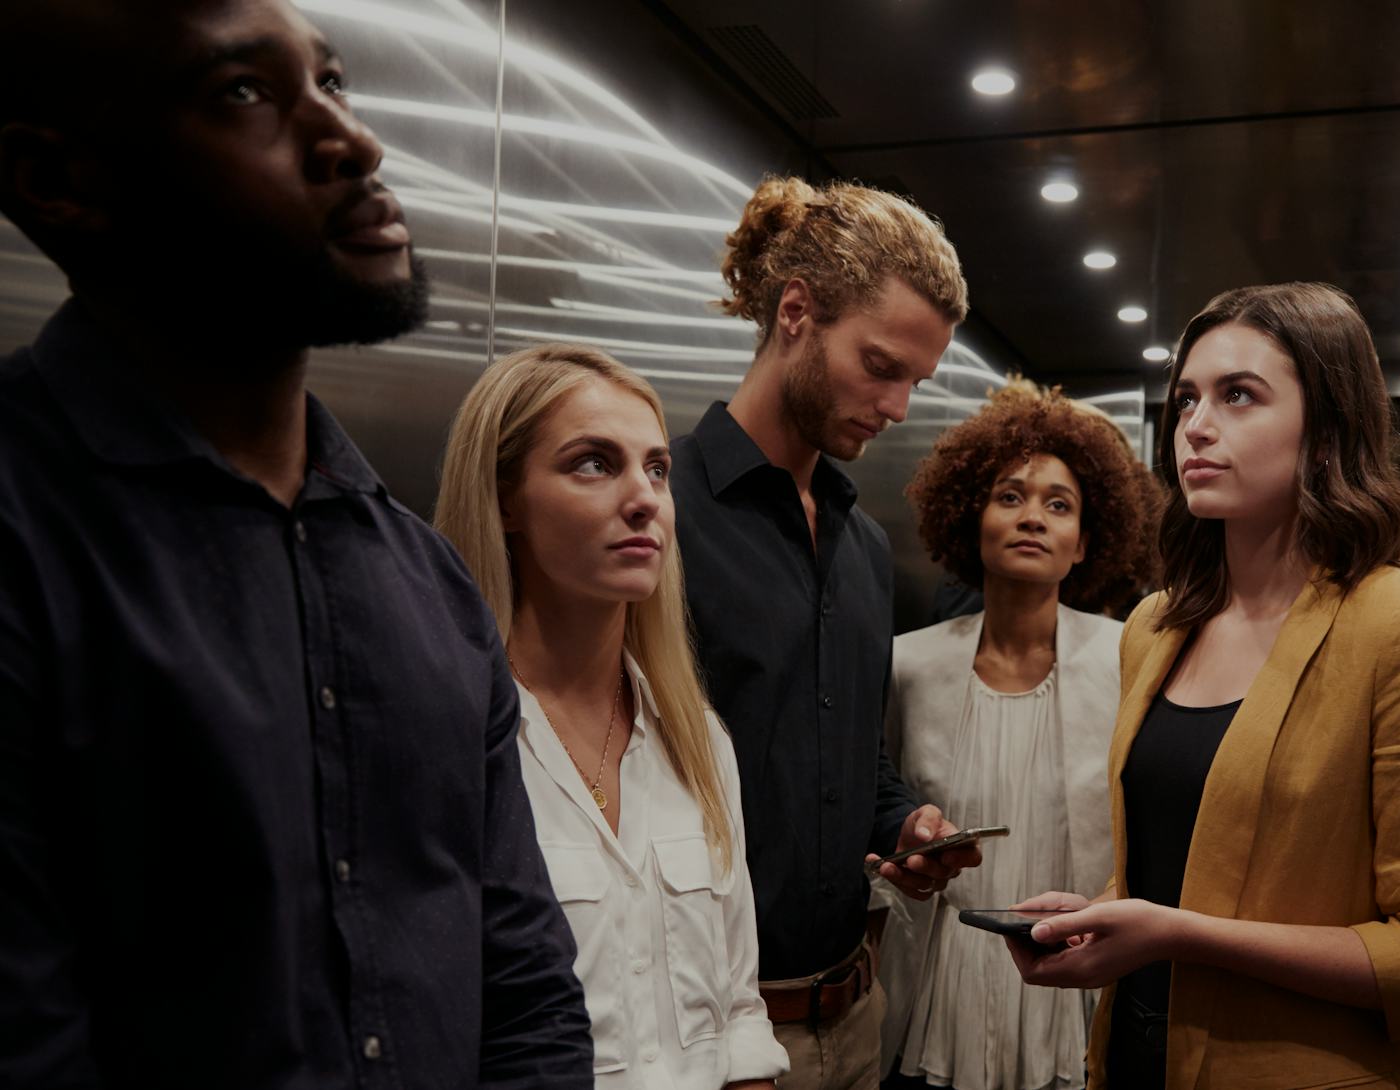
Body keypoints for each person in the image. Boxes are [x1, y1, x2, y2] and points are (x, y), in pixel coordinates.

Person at [0, 1, 594, 1086]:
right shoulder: (27, 526)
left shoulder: (426, 583)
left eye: (332, 83)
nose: (352, 141)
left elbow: (521, 976)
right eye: (243, 93)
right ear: (57, 180)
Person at [1007, 283, 1400, 1090]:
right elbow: (1191, 863)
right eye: (1186, 401)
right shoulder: (1158, 627)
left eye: (1239, 396)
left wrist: (1178, 934)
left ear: (1325, 433)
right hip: (1135, 1063)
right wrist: (1102, 916)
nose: (1196, 427)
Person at [668, 176, 985, 1090]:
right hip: (718, 1030)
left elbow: (847, 753)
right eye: (880, 366)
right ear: (797, 313)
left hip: (857, 1012)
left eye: (916, 382)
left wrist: (904, 821)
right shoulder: (663, 512)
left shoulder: (862, 541)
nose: (896, 406)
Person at [434, 344, 788, 1089]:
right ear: (504, 499)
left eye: (656, 469)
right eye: (593, 463)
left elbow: (738, 1013)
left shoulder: (697, 741)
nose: (644, 499)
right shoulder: (451, 743)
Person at [877, 380, 1162, 1090]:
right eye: (1009, 497)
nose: (1032, 517)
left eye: (1058, 505)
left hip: (1077, 963)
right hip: (938, 971)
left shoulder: (1132, 659)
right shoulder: (905, 663)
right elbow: (877, 812)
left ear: (1085, 542)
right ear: (971, 520)